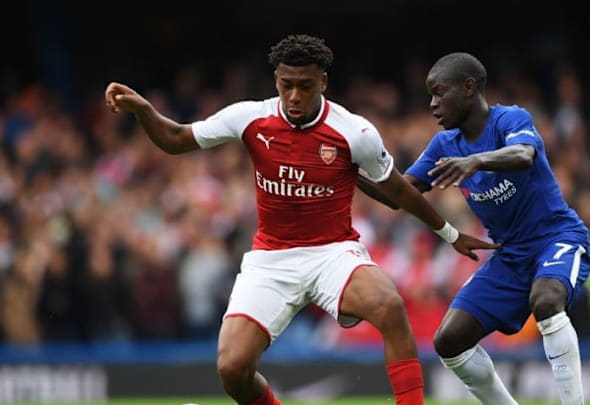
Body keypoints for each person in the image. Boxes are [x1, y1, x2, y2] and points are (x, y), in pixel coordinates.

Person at [104, 35, 499, 405]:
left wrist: (448, 233)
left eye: (305, 85)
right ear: (276, 80)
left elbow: (397, 192)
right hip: (271, 259)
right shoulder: (249, 118)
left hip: (333, 253)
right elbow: (175, 139)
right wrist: (144, 111)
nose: (294, 95)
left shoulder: (354, 131)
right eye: (286, 84)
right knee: (232, 368)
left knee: (389, 305)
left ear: (323, 82)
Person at [376, 52, 590, 405]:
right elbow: (398, 194)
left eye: (438, 93)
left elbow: (524, 155)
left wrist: (477, 160)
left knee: (547, 300)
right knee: (448, 340)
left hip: (556, 237)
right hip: (509, 256)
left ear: (468, 88)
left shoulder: (509, 119)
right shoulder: (444, 145)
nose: (432, 104)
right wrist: (351, 168)